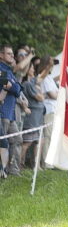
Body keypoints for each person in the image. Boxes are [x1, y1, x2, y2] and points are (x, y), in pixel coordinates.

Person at [1, 45, 23, 176]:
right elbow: (13, 88)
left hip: (11, 114)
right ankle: (2, 170)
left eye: (12, 54)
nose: (12, 56)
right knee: (1, 143)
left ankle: (13, 170)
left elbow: (18, 88)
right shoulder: (0, 69)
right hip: (2, 112)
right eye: (9, 54)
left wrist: (13, 87)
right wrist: (14, 87)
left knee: (17, 139)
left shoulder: (9, 71)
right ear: (1, 55)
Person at [21, 63, 45, 168]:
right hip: (31, 119)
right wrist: (40, 92)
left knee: (35, 142)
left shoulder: (32, 82)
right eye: (30, 68)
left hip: (37, 119)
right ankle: (19, 165)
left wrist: (48, 65)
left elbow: (40, 77)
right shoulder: (27, 84)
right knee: (26, 143)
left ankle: (35, 165)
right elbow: (40, 98)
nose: (32, 69)